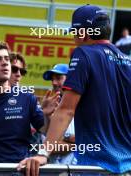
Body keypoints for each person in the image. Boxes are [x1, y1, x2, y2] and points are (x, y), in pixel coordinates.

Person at [18, 4, 131, 176]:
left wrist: (43, 153)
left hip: (97, 165)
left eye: (74, 33)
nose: (74, 38)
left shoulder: (83, 53)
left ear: (83, 33)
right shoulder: (127, 61)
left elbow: (66, 110)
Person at [42, 64, 77, 165]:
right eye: (52, 80)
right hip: (56, 170)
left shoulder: (85, 105)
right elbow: (48, 147)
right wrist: (77, 143)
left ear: (70, 79)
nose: (54, 83)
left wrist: (63, 138)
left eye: (58, 78)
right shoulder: (50, 106)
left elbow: (93, 141)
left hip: (80, 169)